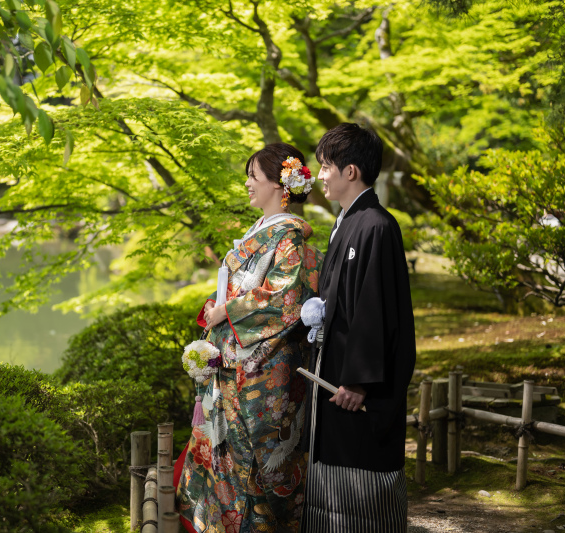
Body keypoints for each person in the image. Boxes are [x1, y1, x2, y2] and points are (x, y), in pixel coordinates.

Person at [175, 143, 323, 533]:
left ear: (280, 186)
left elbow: (285, 300)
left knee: (258, 467)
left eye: (254, 177)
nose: (247, 184)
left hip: (261, 372)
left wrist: (228, 311)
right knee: (224, 456)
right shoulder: (259, 233)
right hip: (233, 363)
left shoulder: (288, 237)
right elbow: (239, 289)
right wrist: (215, 308)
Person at [300, 123, 416, 532]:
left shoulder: (376, 226)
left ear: (351, 171)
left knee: (361, 481)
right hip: (334, 371)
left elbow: (375, 310)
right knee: (330, 480)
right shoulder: (348, 223)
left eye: (326, 166)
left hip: (354, 384)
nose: (320, 176)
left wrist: (358, 381)